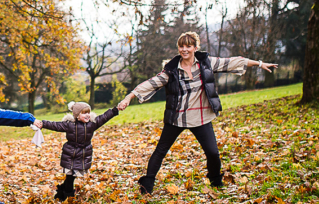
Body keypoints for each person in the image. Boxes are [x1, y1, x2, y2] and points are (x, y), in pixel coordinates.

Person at [117, 31, 277, 194]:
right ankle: (146, 187)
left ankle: (215, 181)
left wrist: (259, 64)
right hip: (177, 118)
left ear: (195, 47)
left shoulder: (206, 63)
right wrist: (129, 97)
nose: (184, 49)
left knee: (213, 153)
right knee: (160, 151)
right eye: (181, 46)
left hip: (201, 117)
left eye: (188, 46)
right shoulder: (172, 70)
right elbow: (150, 83)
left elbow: (232, 62)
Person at [34, 101, 125, 201]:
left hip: (83, 154)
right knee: (70, 176)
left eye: (88, 112)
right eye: (84, 113)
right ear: (77, 115)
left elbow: (104, 117)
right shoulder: (70, 125)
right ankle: (68, 196)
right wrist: (43, 124)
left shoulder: (92, 124)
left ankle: (61, 191)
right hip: (70, 153)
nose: (87, 115)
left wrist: (115, 110)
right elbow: (56, 125)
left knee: (72, 176)